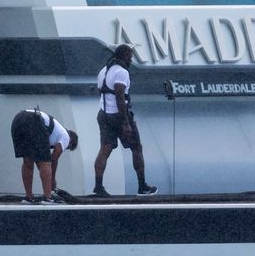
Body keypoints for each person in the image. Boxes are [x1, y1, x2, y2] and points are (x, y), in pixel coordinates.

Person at [92, 43, 157, 196]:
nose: (131, 60)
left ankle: (98, 187)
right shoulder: (122, 72)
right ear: (124, 56)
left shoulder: (103, 71)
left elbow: (102, 93)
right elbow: (120, 97)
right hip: (119, 116)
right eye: (130, 57)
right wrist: (126, 122)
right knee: (136, 148)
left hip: (103, 114)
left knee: (105, 149)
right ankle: (142, 187)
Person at [9, 107, 78, 203]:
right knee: (46, 162)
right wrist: (52, 180)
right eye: (67, 148)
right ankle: (48, 198)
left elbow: (38, 157)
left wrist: (45, 172)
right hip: (34, 120)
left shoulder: (54, 133)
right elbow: (53, 158)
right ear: (71, 143)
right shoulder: (66, 137)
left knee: (28, 161)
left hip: (18, 120)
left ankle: (29, 198)